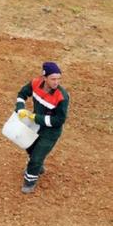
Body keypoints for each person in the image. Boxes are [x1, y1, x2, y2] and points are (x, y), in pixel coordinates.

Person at [14, 62, 70, 194]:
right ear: (44, 78)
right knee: (29, 147)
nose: (56, 82)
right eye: (53, 79)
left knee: (36, 158)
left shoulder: (62, 97)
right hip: (37, 126)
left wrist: (35, 117)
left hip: (51, 131)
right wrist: (20, 108)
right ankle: (38, 167)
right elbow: (22, 94)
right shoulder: (35, 83)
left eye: (58, 79)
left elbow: (59, 120)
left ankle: (29, 182)